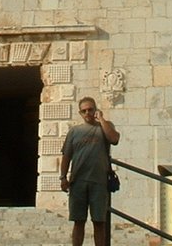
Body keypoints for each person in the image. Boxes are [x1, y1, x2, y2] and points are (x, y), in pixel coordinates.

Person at [60, 96, 120, 246]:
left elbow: (114, 139)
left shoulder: (106, 126)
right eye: (84, 111)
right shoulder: (74, 132)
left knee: (99, 222)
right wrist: (63, 178)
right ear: (80, 113)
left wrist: (102, 120)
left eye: (90, 109)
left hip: (99, 182)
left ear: (95, 109)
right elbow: (66, 156)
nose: (88, 113)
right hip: (78, 182)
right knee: (78, 221)